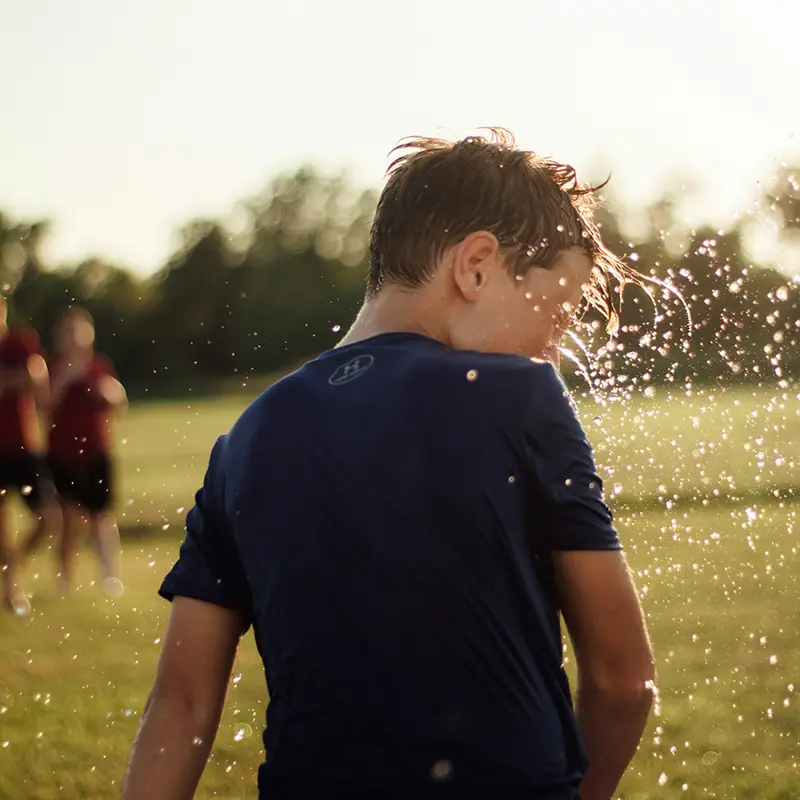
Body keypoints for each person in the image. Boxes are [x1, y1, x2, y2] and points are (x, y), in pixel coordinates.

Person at [123, 129, 655, 800]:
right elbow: (622, 679)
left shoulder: (248, 437)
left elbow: (181, 708)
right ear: (477, 265)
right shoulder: (518, 396)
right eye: (560, 308)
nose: (553, 347)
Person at [45, 306, 126, 594]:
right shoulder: (54, 368)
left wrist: (108, 391)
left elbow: (119, 401)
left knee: (101, 516)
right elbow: (44, 405)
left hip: (96, 451)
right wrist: (66, 380)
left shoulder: (99, 366)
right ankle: (64, 577)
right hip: (63, 453)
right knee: (69, 519)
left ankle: (109, 576)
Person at [0, 294, 59, 613]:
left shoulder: (19, 342)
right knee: (2, 528)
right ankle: (11, 592)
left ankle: (13, 566)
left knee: (49, 519)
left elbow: (35, 378)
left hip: (23, 446)